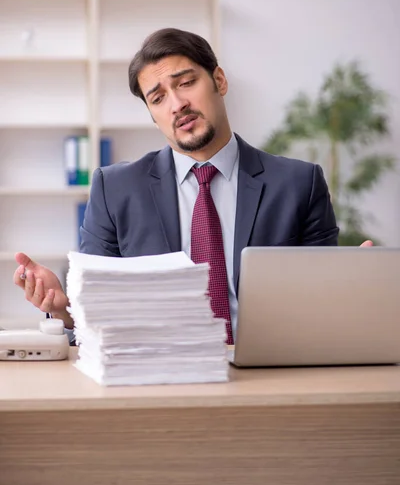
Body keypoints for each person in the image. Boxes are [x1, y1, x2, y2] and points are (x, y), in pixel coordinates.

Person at [13, 28, 373, 341]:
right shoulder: (114, 189)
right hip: (155, 379)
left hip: (268, 374)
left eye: (186, 83)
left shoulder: (299, 184)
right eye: (158, 98)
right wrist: (64, 310)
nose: (177, 104)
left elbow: (321, 310)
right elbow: (98, 317)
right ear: (153, 116)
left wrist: (348, 288)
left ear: (219, 80)